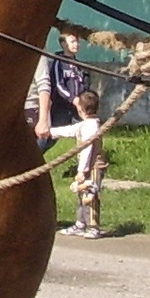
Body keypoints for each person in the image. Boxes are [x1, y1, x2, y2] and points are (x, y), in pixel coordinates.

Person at [54, 89, 107, 238]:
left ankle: (93, 227)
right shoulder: (87, 124)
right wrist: (49, 132)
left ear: (81, 109)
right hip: (87, 167)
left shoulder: (90, 126)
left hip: (94, 166)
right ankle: (81, 223)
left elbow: (87, 149)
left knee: (90, 195)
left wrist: (81, 171)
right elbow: (70, 130)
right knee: (81, 194)